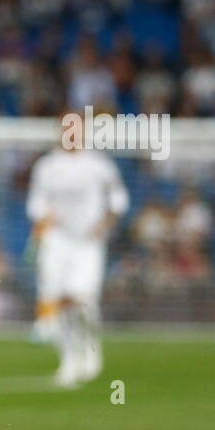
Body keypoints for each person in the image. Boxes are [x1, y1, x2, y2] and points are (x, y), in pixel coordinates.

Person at [27, 122, 130, 386]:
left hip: (88, 241)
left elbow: (118, 198)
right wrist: (43, 217)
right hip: (58, 240)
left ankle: (91, 351)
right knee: (60, 300)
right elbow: (37, 202)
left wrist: (105, 223)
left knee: (82, 299)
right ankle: (69, 360)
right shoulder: (47, 166)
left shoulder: (98, 164)